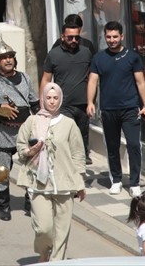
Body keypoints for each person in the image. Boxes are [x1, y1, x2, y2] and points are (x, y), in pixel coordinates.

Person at [15, 82, 87, 262]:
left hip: (65, 183)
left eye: (55, 98)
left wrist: (80, 183)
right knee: (43, 228)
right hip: (38, 182)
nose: (52, 102)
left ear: (60, 99)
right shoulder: (32, 121)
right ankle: (43, 251)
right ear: (42, 99)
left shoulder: (69, 124)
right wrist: (31, 151)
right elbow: (20, 145)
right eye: (48, 98)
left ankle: (56, 262)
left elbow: (78, 154)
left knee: (62, 230)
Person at [86, 20, 145, 197]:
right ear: (105, 37)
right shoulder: (99, 58)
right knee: (112, 146)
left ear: (122, 36)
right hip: (108, 109)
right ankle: (116, 179)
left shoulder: (132, 56)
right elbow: (92, 80)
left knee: (133, 145)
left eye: (115, 36)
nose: (112, 40)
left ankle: (135, 182)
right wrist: (90, 102)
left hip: (130, 108)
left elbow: (140, 82)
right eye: (108, 37)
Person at [0, 41, 37, 221]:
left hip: (25, 133)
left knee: (31, 169)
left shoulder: (26, 78)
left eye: (10, 56)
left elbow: (34, 102)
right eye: (4, 58)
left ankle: (30, 200)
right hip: (2, 134)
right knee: (1, 171)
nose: (8, 60)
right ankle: (3, 204)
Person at [41, 14, 97, 162]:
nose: (74, 41)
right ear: (62, 36)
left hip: (83, 103)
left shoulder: (87, 51)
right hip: (63, 104)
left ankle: (80, 165)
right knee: (65, 136)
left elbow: (94, 77)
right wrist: (43, 105)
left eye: (76, 38)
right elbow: (46, 79)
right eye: (70, 38)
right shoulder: (54, 53)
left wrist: (92, 101)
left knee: (82, 134)